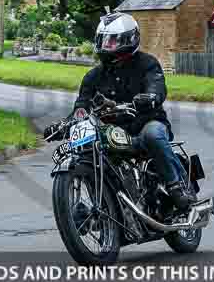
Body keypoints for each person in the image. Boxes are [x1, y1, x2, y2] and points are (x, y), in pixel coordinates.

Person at [45, 12, 197, 210]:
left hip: (145, 124)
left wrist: (150, 97)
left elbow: (156, 86)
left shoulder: (147, 64)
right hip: (112, 133)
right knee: (89, 151)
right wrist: (65, 125)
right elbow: (82, 107)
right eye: (103, 41)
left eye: (112, 41)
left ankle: (177, 187)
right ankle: (104, 205)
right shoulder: (93, 77)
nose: (106, 45)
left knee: (153, 134)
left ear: (129, 39)